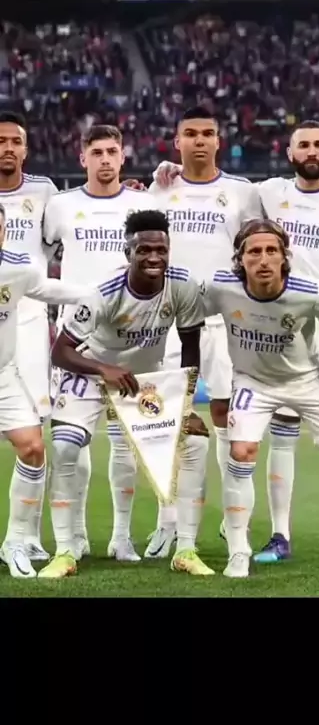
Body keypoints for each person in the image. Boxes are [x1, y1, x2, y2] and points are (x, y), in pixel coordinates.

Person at [153, 120, 319, 563]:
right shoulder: (268, 192)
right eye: (303, 145)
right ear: (289, 153)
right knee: (282, 434)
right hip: (283, 327)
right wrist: (166, 173)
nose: (311, 151)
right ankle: (279, 536)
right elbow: (208, 186)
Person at [202, 219, 319, 578]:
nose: (264, 259)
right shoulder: (220, 287)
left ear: (285, 257)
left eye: (272, 251)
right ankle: (238, 551)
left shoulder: (309, 292)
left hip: (307, 381)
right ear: (240, 259)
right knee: (241, 451)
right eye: (255, 252)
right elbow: (189, 316)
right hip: (253, 382)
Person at [39, 209, 212, 579]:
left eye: (161, 250)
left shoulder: (182, 285)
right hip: (90, 373)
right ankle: (65, 551)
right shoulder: (102, 294)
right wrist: (104, 369)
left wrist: (185, 405)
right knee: (66, 446)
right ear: (128, 252)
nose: (154, 257)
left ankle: (184, 549)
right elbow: (61, 352)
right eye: (144, 250)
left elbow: (190, 346)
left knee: (195, 441)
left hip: (142, 381)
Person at [145, 106, 263, 559]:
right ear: (177, 142)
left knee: (227, 413)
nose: (199, 140)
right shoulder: (160, 188)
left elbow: (256, 249)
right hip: (170, 320)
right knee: (165, 417)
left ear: (218, 140)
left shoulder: (242, 192)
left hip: (224, 320)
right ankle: (167, 522)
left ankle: (234, 520)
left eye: (207, 133)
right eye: (190, 133)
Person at [42, 124, 154, 563]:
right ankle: (76, 536)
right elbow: (38, 256)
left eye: (112, 151)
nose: (105, 159)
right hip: (77, 342)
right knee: (72, 440)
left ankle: (122, 537)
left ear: (123, 157)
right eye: (97, 152)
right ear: (82, 158)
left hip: (131, 343)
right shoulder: (61, 206)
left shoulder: (142, 204)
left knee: (126, 444)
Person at [0, 202, 84, 579]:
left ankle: (15, 541)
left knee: (33, 448)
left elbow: (47, 289)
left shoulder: (16, 269)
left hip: (3, 376)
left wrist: (94, 293)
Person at [0, 110, 58, 562]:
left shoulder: (44, 192)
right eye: (0, 141)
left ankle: (28, 535)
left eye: (14, 142)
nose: (7, 149)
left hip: (31, 316)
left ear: (26, 148)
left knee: (36, 431)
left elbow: (69, 239)